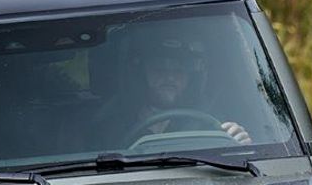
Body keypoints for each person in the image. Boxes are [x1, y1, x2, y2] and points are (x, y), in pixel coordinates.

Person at [99, 33, 253, 148]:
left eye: (179, 70)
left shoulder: (212, 120)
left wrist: (240, 144)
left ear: (190, 76)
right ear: (141, 73)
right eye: (159, 68)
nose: (170, 77)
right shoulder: (114, 119)